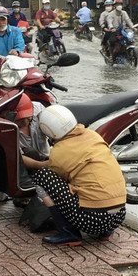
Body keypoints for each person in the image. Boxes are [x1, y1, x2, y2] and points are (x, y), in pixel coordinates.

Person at [22, 105, 126, 246]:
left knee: (42, 176)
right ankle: (106, 232)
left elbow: (59, 181)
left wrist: (38, 164)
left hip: (92, 221)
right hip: (119, 216)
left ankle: (69, 233)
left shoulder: (58, 152)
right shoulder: (93, 135)